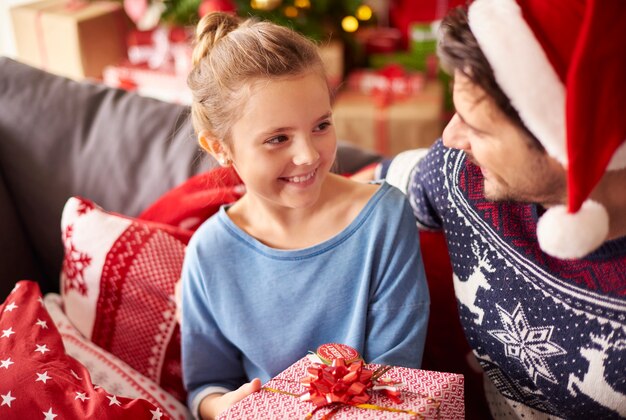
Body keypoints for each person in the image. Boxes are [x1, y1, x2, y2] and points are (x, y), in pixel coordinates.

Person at [369, 0, 626, 418]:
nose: (451, 136)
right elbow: (362, 186)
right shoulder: (460, 173)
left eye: (477, 125)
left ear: (562, 145)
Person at [180, 12, 430, 420]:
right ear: (220, 147)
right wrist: (222, 407)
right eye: (278, 138)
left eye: (321, 126)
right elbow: (205, 386)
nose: (309, 156)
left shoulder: (384, 218)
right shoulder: (208, 253)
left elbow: (397, 379)